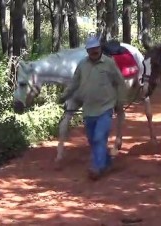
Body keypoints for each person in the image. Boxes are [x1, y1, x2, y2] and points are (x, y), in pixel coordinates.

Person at [57, 36, 127, 180]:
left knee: (99, 137)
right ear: (87, 51)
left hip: (105, 108)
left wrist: (120, 101)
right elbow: (74, 83)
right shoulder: (82, 64)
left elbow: (120, 82)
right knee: (92, 140)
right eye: (91, 49)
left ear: (100, 48)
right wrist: (65, 96)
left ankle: (96, 167)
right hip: (88, 109)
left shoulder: (109, 63)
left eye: (96, 48)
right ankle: (106, 162)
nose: (94, 51)